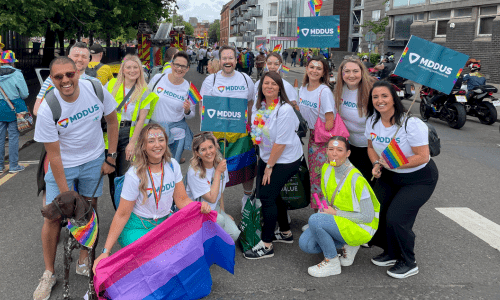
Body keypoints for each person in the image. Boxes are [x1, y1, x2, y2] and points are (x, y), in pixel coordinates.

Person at [33, 57, 118, 300]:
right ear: (52, 79)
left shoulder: (95, 89)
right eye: (58, 77)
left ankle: (83, 258)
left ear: (77, 72)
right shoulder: (49, 106)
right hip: (64, 164)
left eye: (69, 74)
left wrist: (110, 157)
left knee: (89, 209)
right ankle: (49, 273)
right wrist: (65, 195)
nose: (65, 80)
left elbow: (112, 121)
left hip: (93, 160)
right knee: (54, 216)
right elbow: (55, 155)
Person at [93, 124, 212, 272]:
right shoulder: (134, 174)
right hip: (137, 227)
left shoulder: (173, 166)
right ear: (143, 146)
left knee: (187, 258)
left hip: (164, 224)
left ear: (166, 142)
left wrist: (198, 207)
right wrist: (106, 251)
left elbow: (182, 200)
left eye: (161, 140)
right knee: (157, 264)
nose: (157, 145)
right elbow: (122, 215)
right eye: (151, 141)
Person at [366, 81, 439, 279]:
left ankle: (408, 262)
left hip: (419, 178)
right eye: (375, 97)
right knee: (378, 211)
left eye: (384, 96)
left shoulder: (411, 123)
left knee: (397, 218)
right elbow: (371, 147)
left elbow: (422, 156)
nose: (379, 101)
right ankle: (391, 252)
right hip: (390, 175)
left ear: (393, 99)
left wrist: (393, 164)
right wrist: (376, 164)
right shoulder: (372, 121)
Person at [299, 136, 380, 277]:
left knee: (314, 220)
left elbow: (367, 217)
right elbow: (326, 197)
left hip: (361, 227)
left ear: (348, 153)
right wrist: (324, 211)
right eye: (330, 149)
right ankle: (346, 244)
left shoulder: (356, 179)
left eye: (339, 150)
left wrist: (335, 214)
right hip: (339, 221)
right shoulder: (326, 168)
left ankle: (332, 262)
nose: (334, 153)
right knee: (306, 244)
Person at [244, 71, 303, 259]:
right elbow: (258, 135)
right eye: (265, 83)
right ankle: (285, 233)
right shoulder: (260, 107)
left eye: (273, 84)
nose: (269, 86)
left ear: (280, 88)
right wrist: (264, 159)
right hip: (267, 156)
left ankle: (267, 244)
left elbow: (281, 143)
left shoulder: (284, 110)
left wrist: (269, 166)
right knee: (272, 194)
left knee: (267, 196)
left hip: (286, 159)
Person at [200, 45, 256, 211]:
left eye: (230, 58)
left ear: (236, 59)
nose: (227, 61)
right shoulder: (211, 80)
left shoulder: (246, 79)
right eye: (224, 58)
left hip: (241, 133)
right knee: (216, 168)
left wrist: (252, 127)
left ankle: (247, 197)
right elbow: (204, 105)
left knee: (247, 167)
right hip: (218, 134)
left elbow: (251, 104)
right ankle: (216, 202)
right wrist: (206, 133)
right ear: (220, 60)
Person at [105, 54, 158, 207]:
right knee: (111, 176)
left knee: (124, 177)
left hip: (129, 136)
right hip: (108, 135)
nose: (132, 70)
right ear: (122, 69)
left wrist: (133, 144)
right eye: (128, 67)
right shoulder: (111, 85)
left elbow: (142, 119)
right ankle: (118, 212)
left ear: (141, 71)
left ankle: (126, 215)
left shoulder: (144, 90)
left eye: (136, 67)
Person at [185, 132, 240, 242]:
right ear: (197, 153)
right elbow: (212, 198)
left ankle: (210, 237)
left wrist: (223, 212)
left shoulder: (220, 164)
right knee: (219, 221)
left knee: (234, 234)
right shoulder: (194, 172)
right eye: (203, 149)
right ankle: (201, 242)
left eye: (211, 147)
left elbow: (220, 192)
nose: (208, 152)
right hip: (197, 210)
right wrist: (218, 172)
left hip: (214, 208)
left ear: (215, 147)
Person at [298, 56, 334, 212]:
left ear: (323, 72)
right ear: (307, 69)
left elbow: (330, 120)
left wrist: (323, 144)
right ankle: (318, 213)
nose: (314, 70)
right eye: (312, 67)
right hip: (311, 137)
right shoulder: (303, 88)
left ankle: (322, 214)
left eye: (319, 68)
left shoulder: (324, 91)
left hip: (322, 139)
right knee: (314, 177)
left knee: (320, 179)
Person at [333, 57, 375, 182]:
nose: (351, 75)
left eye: (355, 71)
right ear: (341, 73)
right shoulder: (339, 90)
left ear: (362, 72)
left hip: (369, 149)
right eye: (347, 71)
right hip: (349, 147)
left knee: (365, 184)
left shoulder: (372, 90)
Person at [149, 51, 195, 163]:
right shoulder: (158, 79)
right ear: (172, 65)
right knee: (153, 166)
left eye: (183, 66)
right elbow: (145, 101)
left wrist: (187, 110)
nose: (179, 69)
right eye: (177, 65)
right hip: (154, 131)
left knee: (172, 167)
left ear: (187, 68)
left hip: (177, 133)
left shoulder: (190, 89)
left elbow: (191, 115)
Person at [34, 42, 101, 116]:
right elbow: (37, 110)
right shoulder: (54, 79)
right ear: (69, 58)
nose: (80, 59)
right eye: (76, 56)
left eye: (84, 57)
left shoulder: (95, 83)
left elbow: (102, 109)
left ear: (89, 60)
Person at [0, 50, 29, 174]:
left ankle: (0, 166)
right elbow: (25, 93)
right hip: (15, 109)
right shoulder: (17, 74)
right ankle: (13, 166)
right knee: (13, 137)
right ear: (12, 62)